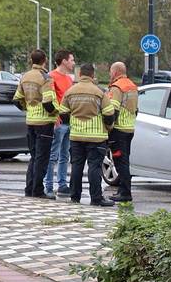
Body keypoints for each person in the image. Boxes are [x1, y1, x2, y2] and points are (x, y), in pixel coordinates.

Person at [57, 63, 117, 207]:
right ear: (92, 75)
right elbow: (109, 114)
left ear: (80, 75)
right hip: (96, 137)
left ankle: (75, 197)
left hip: (76, 136)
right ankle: (96, 198)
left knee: (76, 166)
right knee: (94, 167)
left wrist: (73, 122)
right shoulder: (99, 92)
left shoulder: (70, 91)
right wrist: (108, 128)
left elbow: (63, 113)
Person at [13, 49, 58, 198]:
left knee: (34, 156)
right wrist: (56, 112)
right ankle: (38, 190)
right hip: (44, 122)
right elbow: (48, 103)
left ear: (32, 60)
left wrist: (28, 108)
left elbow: (17, 99)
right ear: (44, 60)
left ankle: (29, 188)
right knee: (42, 157)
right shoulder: (45, 77)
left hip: (30, 121)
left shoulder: (25, 76)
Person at [105, 61, 138, 203]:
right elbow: (136, 109)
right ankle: (123, 190)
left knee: (120, 162)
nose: (109, 74)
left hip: (118, 130)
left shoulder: (117, 87)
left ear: (115, 72)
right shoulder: (132, 85)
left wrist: (109, 127)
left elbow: (113, 110)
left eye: (110, 72)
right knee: (125, 160)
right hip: (129, 129)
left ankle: (125, 192)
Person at [44, 49, 76, 198]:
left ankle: (62, 185)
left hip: (69, 121)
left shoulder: (69, 78)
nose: (73, 63)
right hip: (59, 122)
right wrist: (55, 116)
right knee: (53, 155)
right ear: (64, 61)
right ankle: (48, 186)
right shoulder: (51, 76)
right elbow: (50, 98)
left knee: (65, 155)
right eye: (71, 60)